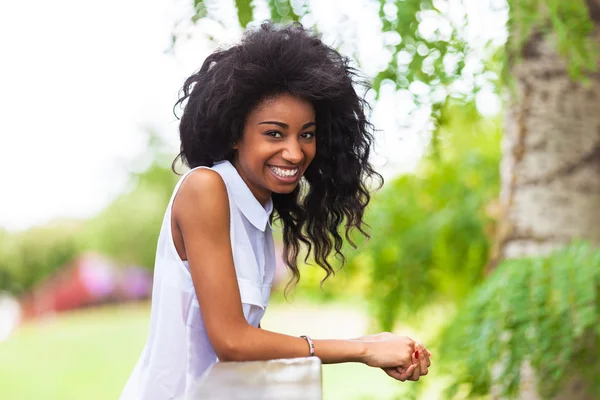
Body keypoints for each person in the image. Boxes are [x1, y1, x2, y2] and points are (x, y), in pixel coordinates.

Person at [120, 21, 431, 400]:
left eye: (307, 134)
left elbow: (250, 349)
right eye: (274, 133)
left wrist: (386, 351)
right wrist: (364, 348)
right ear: (235, 133)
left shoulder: (256, 209)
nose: (295, 152)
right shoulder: (206, 189)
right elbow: (232, 342)